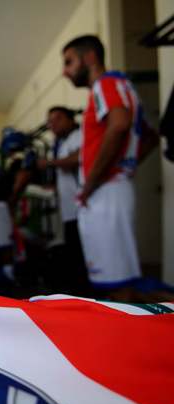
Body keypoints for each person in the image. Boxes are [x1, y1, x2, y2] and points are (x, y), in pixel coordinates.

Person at [61, 35, 154, 298]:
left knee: (117, 284)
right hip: (112, 187)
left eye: (69, 62)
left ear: (90, 57)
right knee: (114, 280)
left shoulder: (105, 84)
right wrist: (124, 165)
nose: (65, 72)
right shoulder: (123, 86)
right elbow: (150, 137)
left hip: (104, 191)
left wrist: (92, 182)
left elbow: (120, 124)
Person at [37, 106, 89, 294]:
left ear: (71, 119)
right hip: (69, 209)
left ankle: (89, 295)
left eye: (58, 118)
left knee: (84, 254)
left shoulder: (80, 134)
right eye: (50, 121)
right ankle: (78, 293)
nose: (53, 124)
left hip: (84, 206)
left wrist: (49, 163)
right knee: (74, 253)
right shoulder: (61, 142)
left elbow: (78, 158)